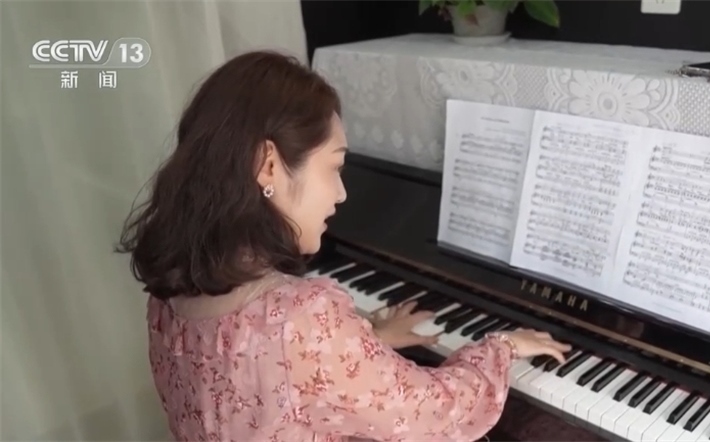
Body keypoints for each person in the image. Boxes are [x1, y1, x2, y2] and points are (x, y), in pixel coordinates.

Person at [117, 50, 571, 442]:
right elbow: (439, 413)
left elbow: (263, 380)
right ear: (268, 165)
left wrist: (366, 344)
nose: (341, 194)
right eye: (334, 167)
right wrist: (501, 347)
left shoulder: (169, 290)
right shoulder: (301, 318)